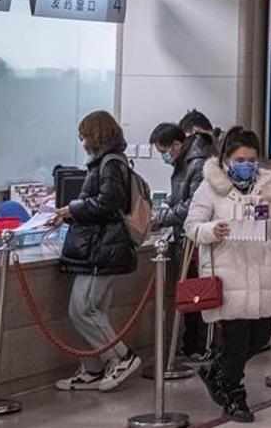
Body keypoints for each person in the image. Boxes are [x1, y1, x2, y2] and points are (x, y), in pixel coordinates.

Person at [186, 126, 271, 423]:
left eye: (251, 159)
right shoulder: (209, 188)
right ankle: (234, 395)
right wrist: (213, 230)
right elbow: (192, 226)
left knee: (260, 336)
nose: (246, 165)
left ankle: (216, 371)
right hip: (228, 275)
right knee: (236, 341)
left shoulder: (265, 188)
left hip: (260, 275)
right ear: (226, 158)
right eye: (240, 159)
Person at [51, 110, 142, 392]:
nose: (82, 142)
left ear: (96, 135)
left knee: (82, 309)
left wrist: (71, 209)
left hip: (102, 248)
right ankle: (93, 368)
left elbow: (107, 202)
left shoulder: (110, 164)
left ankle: (122, 357)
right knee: (94, 311)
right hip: (99, 247)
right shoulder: (106, 163)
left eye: (84, 136)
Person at [150, 121, 213, 361]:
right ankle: (191, 345)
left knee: (197, 293)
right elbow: (181, 197)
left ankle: (198, 345)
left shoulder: (196, 163)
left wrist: (161, 217)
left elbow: (194, 206)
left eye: (165, 152)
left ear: (177, 144)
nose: (165, 157)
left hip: (195, 240)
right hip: (185, 237)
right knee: (191, 293)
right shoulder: (185, 162)